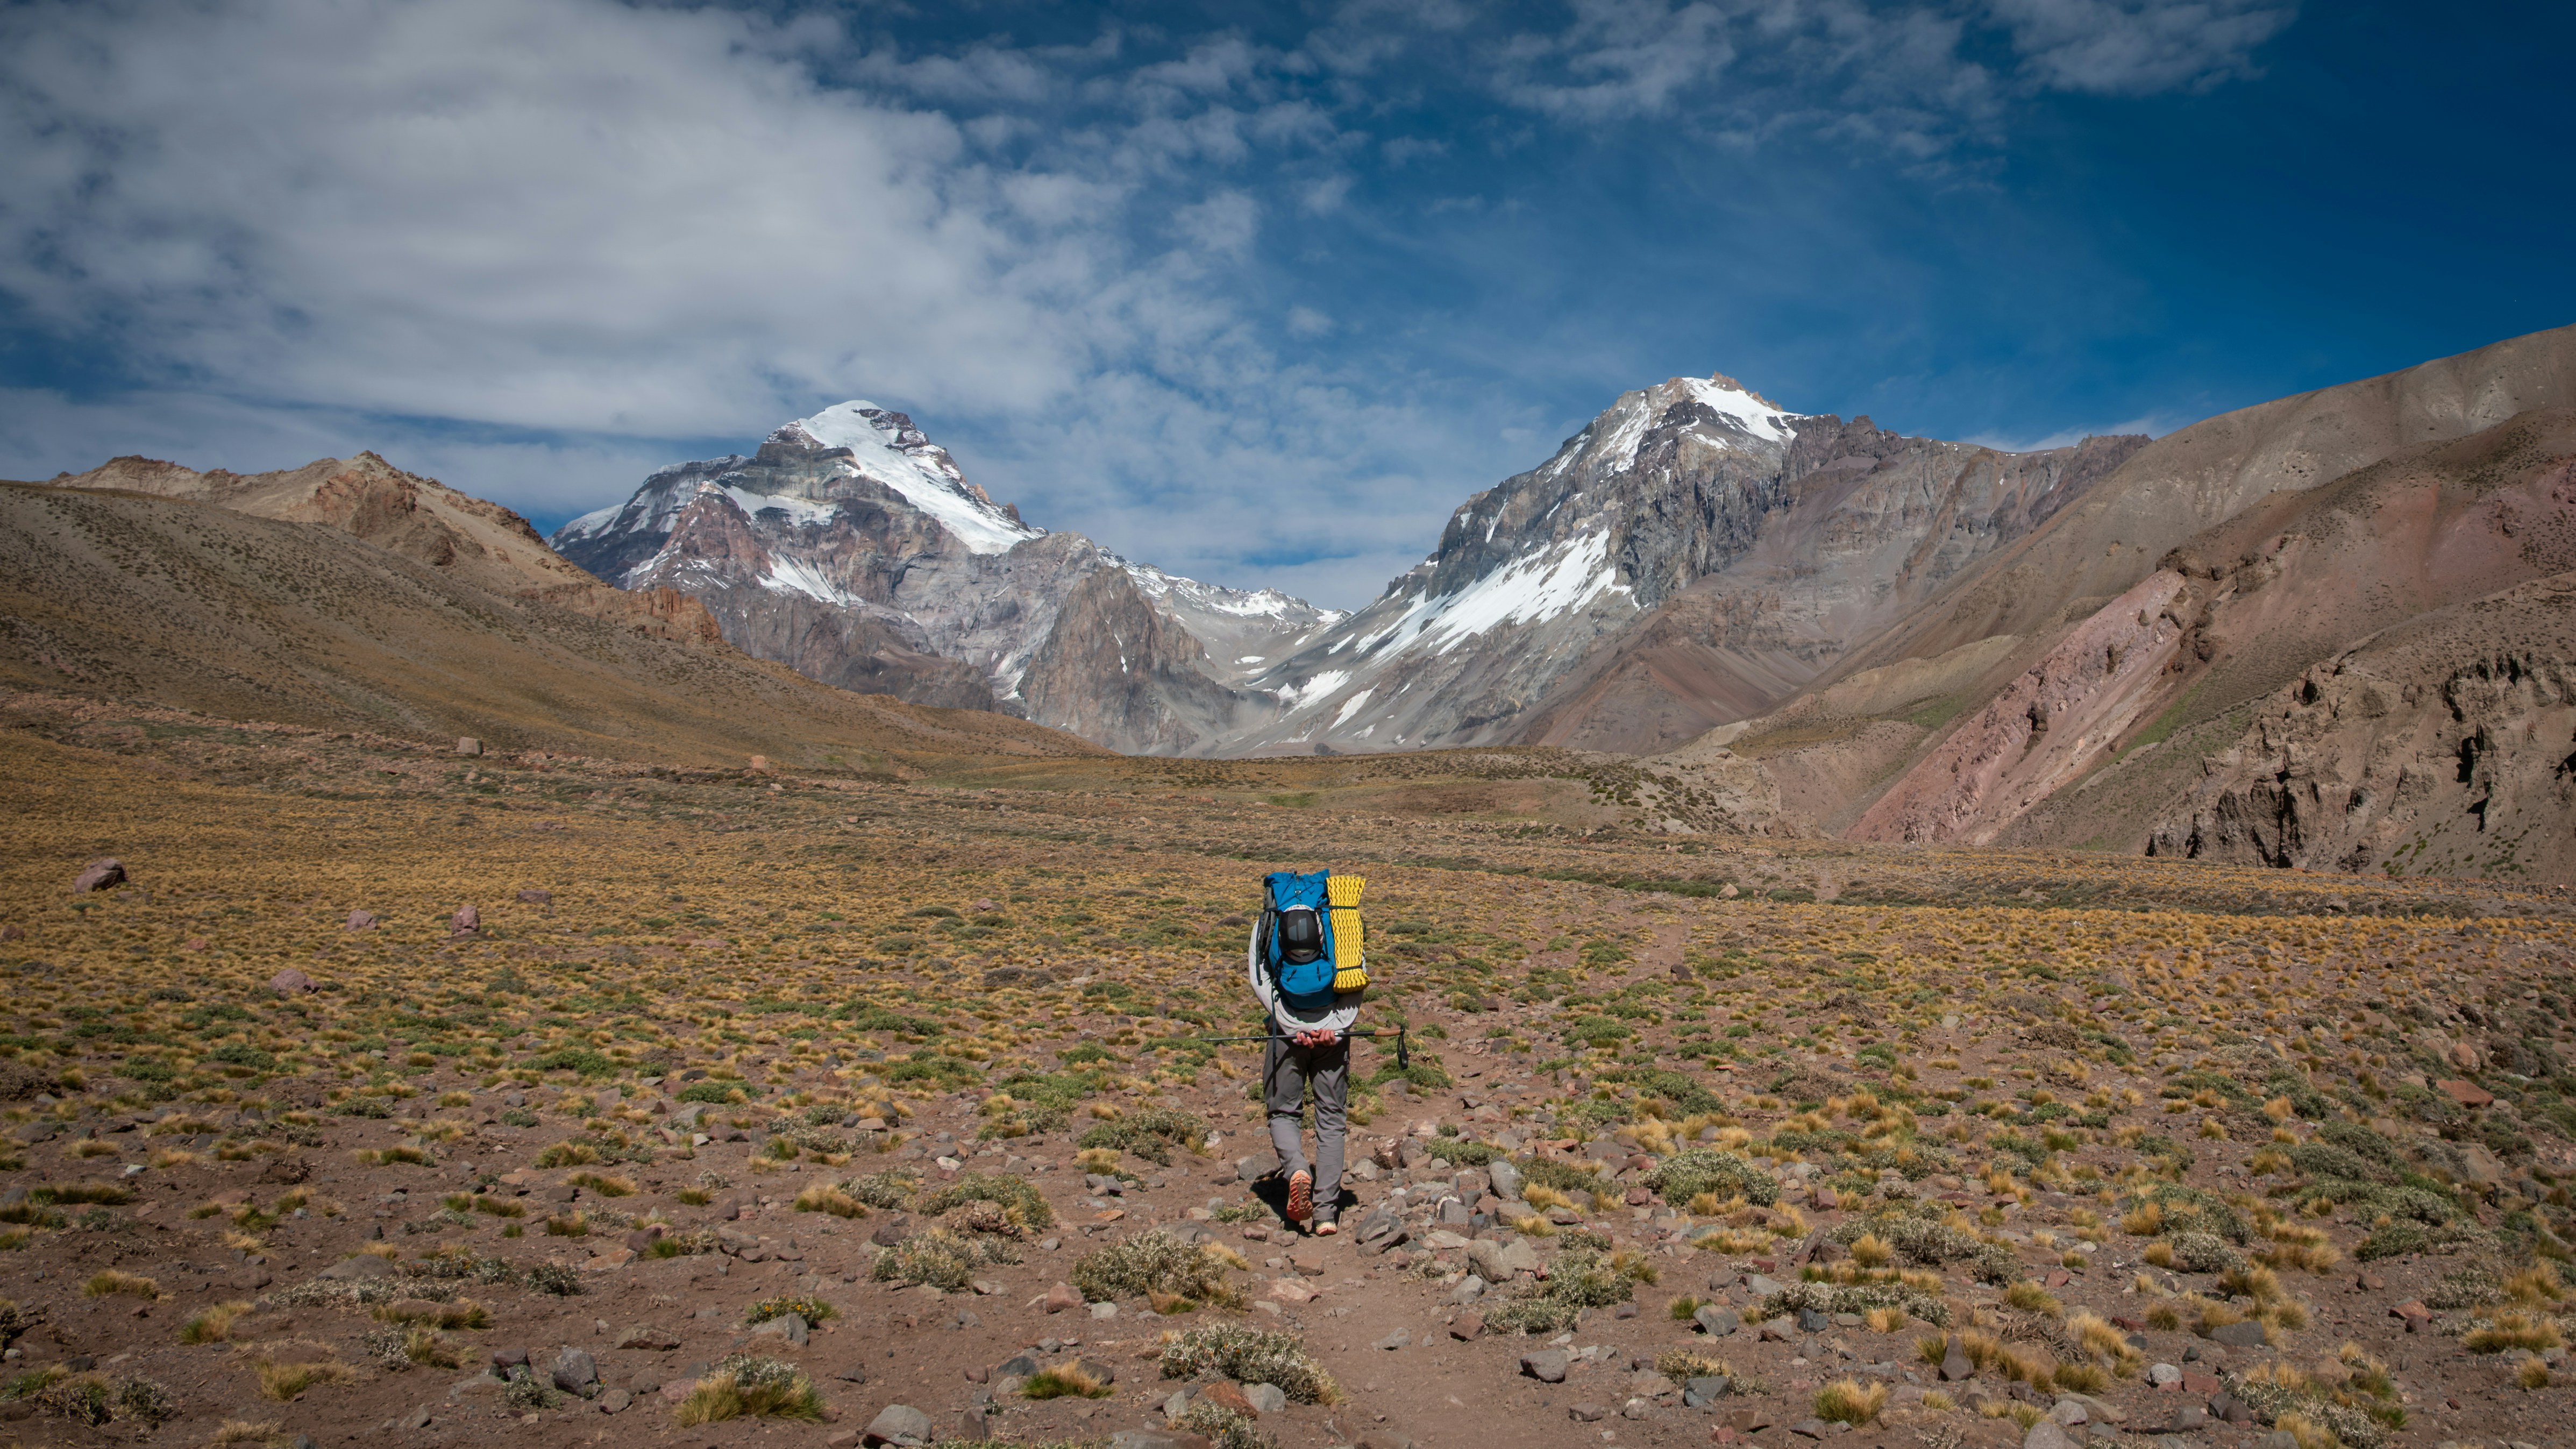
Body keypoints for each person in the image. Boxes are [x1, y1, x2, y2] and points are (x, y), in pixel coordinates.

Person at [1247, 911, 1362, 1234]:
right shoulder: (1343, 918)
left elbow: (1259, 979)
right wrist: (1335, 1029)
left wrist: (1290, 1025)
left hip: (1286, 1037)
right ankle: (1325, 1214)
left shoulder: (1268, 920)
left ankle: (1297, 1169)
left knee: (1283, 1112)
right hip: (1332, 1038)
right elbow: (1357, 979)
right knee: (1331, 1120)